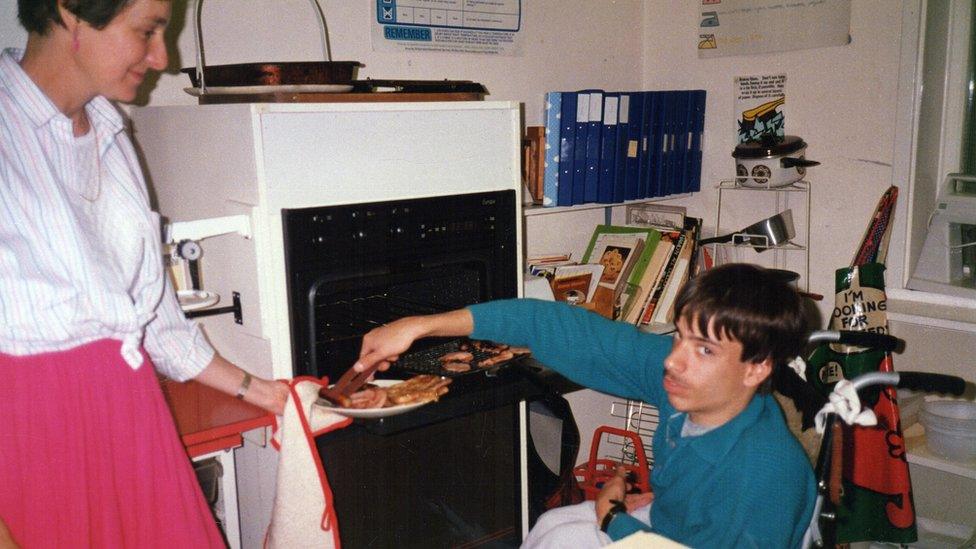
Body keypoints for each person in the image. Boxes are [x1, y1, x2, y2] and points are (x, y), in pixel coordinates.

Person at [0, 1, 289, 546]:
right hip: (33, 439)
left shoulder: (111, 132)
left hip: (132, 420)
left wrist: (270, 395)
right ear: (69, 13)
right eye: (147, 30)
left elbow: (155, 317)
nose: (162, 56)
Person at [355, 263, 817, 547]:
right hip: (671, 526)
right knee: (556, 523)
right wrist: (418, 325)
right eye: (680, 336)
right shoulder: (695, 388)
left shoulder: (765, 471)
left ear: (756, 368)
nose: (674, 360)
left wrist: (614, 519)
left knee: (571, 535)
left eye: (705, 350)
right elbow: (552, 324)